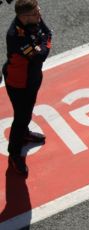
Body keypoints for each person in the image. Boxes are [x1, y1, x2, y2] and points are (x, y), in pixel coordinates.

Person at [2, 0, 52, 176]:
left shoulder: (33, 19)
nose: (39, 14)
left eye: (38, 10)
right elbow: (40, 56)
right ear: (23, 16)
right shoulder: (15, 36)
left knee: (27, 112)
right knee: (21, 117)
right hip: (19, 84)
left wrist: (43, 44)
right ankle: (14, 154)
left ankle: (24, 132)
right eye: (35, 12)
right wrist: (44, 44)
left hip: (32, 78)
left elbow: (48, 34)